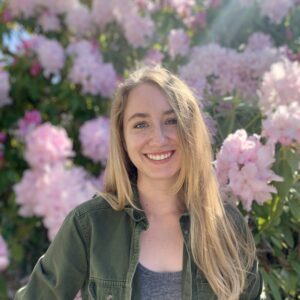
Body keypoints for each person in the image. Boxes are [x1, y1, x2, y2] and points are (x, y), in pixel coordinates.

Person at [15, 66, 262, 300]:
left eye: (171, 120)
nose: (159, 138)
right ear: (122, 138)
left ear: (190, 130)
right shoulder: (89, 225)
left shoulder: (227, 226)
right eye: (140, 124)